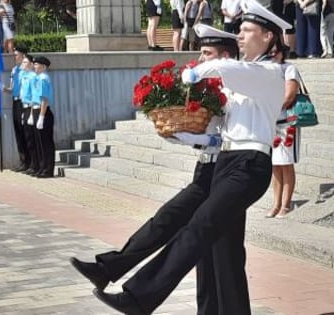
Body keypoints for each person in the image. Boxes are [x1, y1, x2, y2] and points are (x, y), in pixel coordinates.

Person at [71, 0, 292, 314]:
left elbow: (228, 67)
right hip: (227, 163)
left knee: (199, 227)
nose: (240, 36)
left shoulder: (268, 72)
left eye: (246, 30)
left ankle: (138, 297)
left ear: (268, 36)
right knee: (218, 248)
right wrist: (185, 135)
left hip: (250, 164)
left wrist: (196, 72)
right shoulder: (240, 84)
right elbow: (218, 130)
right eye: (239, 30)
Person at [267, 43, 301, 218]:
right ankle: (276, 203)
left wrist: (271, 109)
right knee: (275, 165)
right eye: (269, 52)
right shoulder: (265, 70)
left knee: (286, 164)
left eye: (275, 52)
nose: (272, 55)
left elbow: (289, 96)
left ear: (282, 53)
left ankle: (286, 204)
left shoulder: (289, 69)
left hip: (286, 122)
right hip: (270, 122)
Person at [3, 46, 30, 173]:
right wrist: (4, 89)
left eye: (17, 55)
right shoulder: (14, 70)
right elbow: (12, 88)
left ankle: (30, 161)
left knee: (26, 132)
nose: (15, 57)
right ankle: (22, 160)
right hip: (15, 102)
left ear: (23, 56)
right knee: (18, 132)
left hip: (24, 102)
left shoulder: (27, 71)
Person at [31, 56, 55, 178]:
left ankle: (48, 169)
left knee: (46, 143)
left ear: (43, 66)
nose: (34, 66)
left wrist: (41, 116)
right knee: (39, 143)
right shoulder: (37, 78)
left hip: (43, 112)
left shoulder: (43, 79)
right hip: (37, 110)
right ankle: (42, 167)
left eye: (36, 64)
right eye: (34, 64)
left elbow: (44, 99)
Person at [19, 54, 40, 177]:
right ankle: (32, 164)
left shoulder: (33, 77)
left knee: (33, 139)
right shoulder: (24, 76)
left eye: (25, 62)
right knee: (28, 139)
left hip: (32, 108)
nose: (23, 63)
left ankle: (36, 164)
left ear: (31, 64)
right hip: (25, 107)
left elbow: (33, 96)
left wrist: (31, 114)